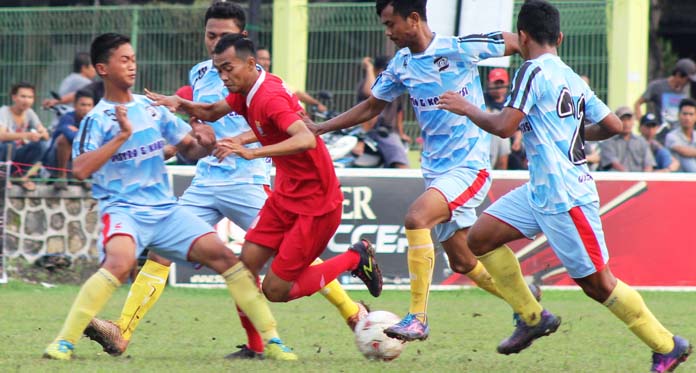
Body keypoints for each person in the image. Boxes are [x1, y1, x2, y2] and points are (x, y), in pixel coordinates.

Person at [83, 1, 369, 361]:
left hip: (249, 181)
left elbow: (289, 126)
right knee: (161, 251)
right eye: (210, 34)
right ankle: (123, 331)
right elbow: (205, 124)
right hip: (206, 182)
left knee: (288, 260)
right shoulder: (204, 74)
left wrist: (244, 146)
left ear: (243, 39)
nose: (214, 41)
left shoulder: (264, 83)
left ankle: (354, 313)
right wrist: (175, 143)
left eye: (223, 36)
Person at [437, 2, 692, 371]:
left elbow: (505, 127)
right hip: (540, 189)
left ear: (521, 37)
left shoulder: (530, 71)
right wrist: (570, 133)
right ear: (559, 38)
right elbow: (614, 126)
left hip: (566, 196)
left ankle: (668, 344)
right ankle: (531, 316)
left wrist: (467, 108)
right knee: (479, 239)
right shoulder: (570, 77)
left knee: (599, 285)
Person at [42, 32, 297, 361]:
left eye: (133, 58)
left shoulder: (151, 109)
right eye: (124, 60)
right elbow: (80, 168)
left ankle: (272, 340)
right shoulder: (97, 118)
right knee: (119, 264)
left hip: (164, 211)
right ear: (102, 69)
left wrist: (202, 140)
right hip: (124, 210)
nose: (132, 65)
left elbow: (188, 149)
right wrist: (121, 137)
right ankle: (64, 342)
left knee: (226, 260)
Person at [304, 0, 522, 342]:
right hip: (436, 171)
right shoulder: (402, 65)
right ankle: (527, 305)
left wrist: (530, 87)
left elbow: (521, 42)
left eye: (391, 24)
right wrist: (321, 127)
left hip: (469, 165)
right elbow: (373, 105)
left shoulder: (460, 48)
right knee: (463, 262)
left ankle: (417, 318)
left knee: (416, 218)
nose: (388, 32)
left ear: (414, 19)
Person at [145, 34, 382, 305]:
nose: (222, 77)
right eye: (219, 69)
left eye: (228, 68)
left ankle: (355, 258)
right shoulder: (245, 92)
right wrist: (181, 103)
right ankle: (258, 346)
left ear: (249, 63)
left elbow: (305, 138)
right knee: (244, 270)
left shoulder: (269, 97)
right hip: (285, 195)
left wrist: (251, 151)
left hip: (316, 202)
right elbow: (211, 111)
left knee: (276, 290)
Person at [355, 55, 410, 168]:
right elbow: (371, 92)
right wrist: (369, 69)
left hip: (386, 131)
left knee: (401, 164)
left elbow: (399, 111)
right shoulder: (367, 84)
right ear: (377, 69)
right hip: (368, 131)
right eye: (382, 69)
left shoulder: (394, 85)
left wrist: (401, 132)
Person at [0, 82, 50, 191]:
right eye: (23, 96)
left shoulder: (30, 113)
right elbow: (1, 136)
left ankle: (20, 176)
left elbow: (46, 136)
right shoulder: (4, 112)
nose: (26, 100)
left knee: (41, 145)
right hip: (3, 156)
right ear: (14, 97)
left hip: (16, 157)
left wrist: (40, 133)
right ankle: (4, 177)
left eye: (30, 97)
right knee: (9, 144)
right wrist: (26, 135)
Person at [255, 46, 328, 113]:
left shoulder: (274, 78)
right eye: (262, 59)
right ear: (253, 60)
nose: (266, 63)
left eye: (268, 59)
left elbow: (296, 93)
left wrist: (317, 104)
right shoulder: (249, 81)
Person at [634, 58, 696, 136]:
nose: (688, 83)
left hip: (679, 135)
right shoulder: (657, 86)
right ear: (678, 74)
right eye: (687, 80)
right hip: (661, 134)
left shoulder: (686, 89)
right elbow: (638, 104)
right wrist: (642, 123)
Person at [49, 89, 94, 190]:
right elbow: (69, 135)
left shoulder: (95, 121)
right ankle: (61, 176)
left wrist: (77, 132)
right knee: (64, 140)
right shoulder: (67, 118)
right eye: (83, 105)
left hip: (80, 163)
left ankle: (84, 177)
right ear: (75, 105)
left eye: (89, 105)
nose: (86, 108)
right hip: (54, 161)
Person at [598, 106, 655, 172]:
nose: (626, 123)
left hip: (640, 180)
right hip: (617, 179)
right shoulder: (608, 142)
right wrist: (629, 177)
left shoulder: (641, 141)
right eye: (623, 119)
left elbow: (648, 164)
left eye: (629, 119)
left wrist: (644, 177)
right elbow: (613, 163)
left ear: (633, 122)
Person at [485, 69, 512, 169]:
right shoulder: (482, 99)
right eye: (496, 83)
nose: (499, 86)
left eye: (501, 83)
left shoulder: (512, 100)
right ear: (489, 84)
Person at [665, 98, 696, 172]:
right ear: (678, 115)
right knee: (686, 158)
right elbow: (684, 152)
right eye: (684, 114)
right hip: (678, 175)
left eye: (691, 114)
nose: (687, 118)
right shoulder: (671, 136)